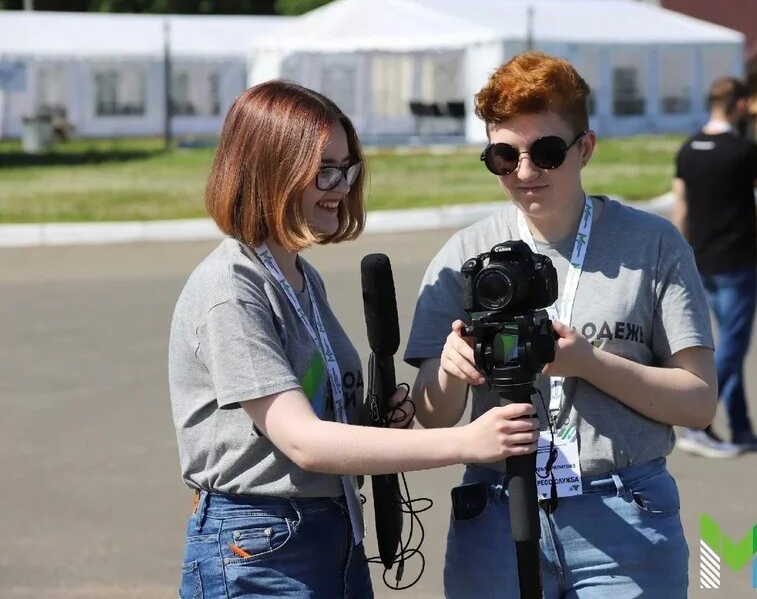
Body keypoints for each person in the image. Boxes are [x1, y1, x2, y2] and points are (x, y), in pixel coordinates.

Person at [168, 80, 540, 599]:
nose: (341, 186)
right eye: (325, 170)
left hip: (326, 533)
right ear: (271, 170)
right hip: (259, 546)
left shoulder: (299, 275)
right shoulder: (231, 288)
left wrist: (370, 422)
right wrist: (466, 442)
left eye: (348, 169)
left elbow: (313, 413)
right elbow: (303, 442)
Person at [405, 52, 717, 598]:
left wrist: (588, 363)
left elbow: (697, 402)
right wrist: (451, 371)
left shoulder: (652, 245)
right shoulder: (465, 256)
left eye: (547, 152)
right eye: (504, 156)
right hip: (496, 513)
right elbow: (433, 417)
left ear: (585, 148)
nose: (525, 173)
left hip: (622, 513)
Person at [671, 77, 757, 458]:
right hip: (736, 260)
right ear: (742, 105)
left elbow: (681, 203)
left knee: (728, 345)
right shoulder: (743, 148)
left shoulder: (689, 148)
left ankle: (742, 427)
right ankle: (694, 420)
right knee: (733, 345)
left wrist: (679, 252)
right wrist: (755, 140)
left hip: (700, 258)